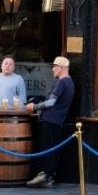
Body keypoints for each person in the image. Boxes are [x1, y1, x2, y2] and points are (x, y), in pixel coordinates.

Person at [25, 56, 75, 188]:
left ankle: (44, 175)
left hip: (49, 119)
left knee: (46, 148)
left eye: (54, 66)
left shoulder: (61, 82)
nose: (52, 69)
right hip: (58, 121)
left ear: (62, 68)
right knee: (52, 148)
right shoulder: (70, 83)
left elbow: (51, 102)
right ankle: (49, 176)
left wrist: (34, 107)